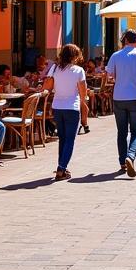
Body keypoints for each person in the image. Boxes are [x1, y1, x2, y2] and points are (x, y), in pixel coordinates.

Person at [105, 30, 136, 177]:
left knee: (121, 132)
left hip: (119, 97)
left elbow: (110, 75)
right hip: (135, 97)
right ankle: (130, 156)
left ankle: (122, 163)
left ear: (124, 40)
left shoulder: (115, 56)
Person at [44, 44, 89, 180]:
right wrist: (84, 105)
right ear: (75, 56)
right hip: (72, 108)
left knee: (62, 139)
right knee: (70, 139)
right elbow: (83, 92)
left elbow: (48, 87)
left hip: (58, 106)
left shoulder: (55, 68)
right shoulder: (78, 70)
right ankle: (61, 168)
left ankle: (62, 167)